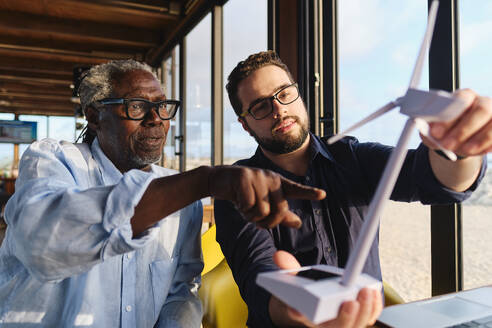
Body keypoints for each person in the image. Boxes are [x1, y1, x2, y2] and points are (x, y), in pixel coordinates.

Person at [0, 59, 325, 327]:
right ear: (95, 116)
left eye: (163, 106)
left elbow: (179, 291)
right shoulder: (54, 161)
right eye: (137, 106)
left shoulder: (183, 200)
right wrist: (204, 180)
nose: (157, 120)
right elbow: (41, 244)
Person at [214, 50, 489, 327]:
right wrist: (297, 311)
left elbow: (434, 179)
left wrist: (462, 148)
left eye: (284, 93)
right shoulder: (236, 188)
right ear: (245, 125)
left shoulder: (354, 158)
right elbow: (257, 277)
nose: (279, 109)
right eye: (261, 106)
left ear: (297, 93)